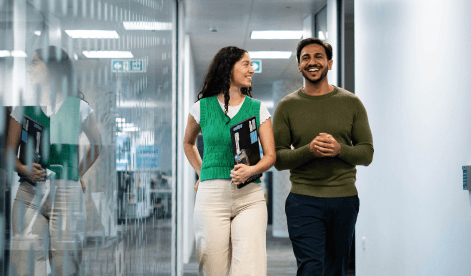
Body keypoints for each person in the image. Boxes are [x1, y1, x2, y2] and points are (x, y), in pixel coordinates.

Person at [273, 38, 374, 276]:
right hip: (303, 200)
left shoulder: (351, 102)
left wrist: (340, 149)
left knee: (336, 268)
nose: (312, 62)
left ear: (329, 63)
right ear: (299, 66)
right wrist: (309, 150)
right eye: (305, 58)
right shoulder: (286, 106)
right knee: (311, 268)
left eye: (318, 56)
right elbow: (278, 158)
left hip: (344, 199)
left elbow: (367, 153)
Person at [6, 46, 101, 276]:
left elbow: (97, 146)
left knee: (65, 266)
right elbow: (9, 153)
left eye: (35, 63)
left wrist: (77, 173)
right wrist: (23, 168)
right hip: (29, 194)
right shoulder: (24, 109)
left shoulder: (78, 108)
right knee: (26, 265)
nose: (29, 69)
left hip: (67, 195)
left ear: (52, 69)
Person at [183, 46, 276, 276]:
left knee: (248, 268)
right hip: (211, 196)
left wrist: (250, 170)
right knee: (213, 267)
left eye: (252, 64)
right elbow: (188, 143)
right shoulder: (202, 108)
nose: (251, 70)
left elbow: (271, 156)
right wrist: (201, 171)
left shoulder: (257, 109)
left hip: (249, 197)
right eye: (246, 64)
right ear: (228, 68)